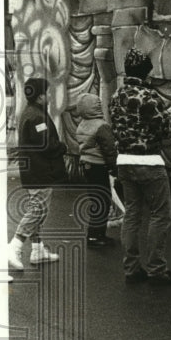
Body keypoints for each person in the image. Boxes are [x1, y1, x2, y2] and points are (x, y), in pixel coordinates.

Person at [108, 48, 171, 286]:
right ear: (145, 72)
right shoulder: (149, 97)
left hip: (124, 162)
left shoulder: (116, 96)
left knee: (132, 214)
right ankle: (156, 268)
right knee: (160, 215)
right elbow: (167, 131)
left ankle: (131, 267)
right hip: (149, 161)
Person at [8, 77, 66, 270]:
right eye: (46, 93)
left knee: (39, 210)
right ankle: (14, 246)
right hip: (39, 170)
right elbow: (46, 144)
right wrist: (62, 147)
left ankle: (37, 249)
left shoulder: (30, 112)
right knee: (37, 210)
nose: (49, 96)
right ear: (40, 96)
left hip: (32, 169)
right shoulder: (37, 117)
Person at [72, 93, 118, 248]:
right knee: (103, 200)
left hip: (86, 165)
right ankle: (95, 236)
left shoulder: (82, 124)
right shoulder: (101, 126)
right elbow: (109, 150)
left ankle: (96, 234)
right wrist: (114, 169)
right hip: (99, 166)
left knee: (96, 200)